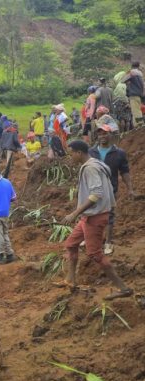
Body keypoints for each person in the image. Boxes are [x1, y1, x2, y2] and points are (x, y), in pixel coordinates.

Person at [58, 140, 133, 300]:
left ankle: (123, 288)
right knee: (71, 245)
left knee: (95, 254)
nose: (70, 156)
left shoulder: (90, 168)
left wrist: (74, 213)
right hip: (90, 216)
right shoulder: (95, 164)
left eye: (71, 152)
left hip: (95, 216)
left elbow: (96, 194)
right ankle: (70, 280)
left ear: (79, 153)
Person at [88, 124, 137, 255]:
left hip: (111, 190)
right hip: (93, 189)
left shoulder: (119, 153)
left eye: (105, 133)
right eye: (100, 134)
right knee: (91, 214)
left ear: (111, 135)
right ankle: (92, 239)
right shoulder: (91, 152)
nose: (102, 136)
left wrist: (130, 189)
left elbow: (124, 172)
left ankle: (108, 242)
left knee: (109, 216)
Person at [120, 61, 144, 127]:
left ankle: (139, 125)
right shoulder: (140, 74)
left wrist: (127, 80)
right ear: (138, 66)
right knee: (137, 110)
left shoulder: (131, 72)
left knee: (135, 111)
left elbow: (122, 80)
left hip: (133, 95)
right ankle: (137, 125)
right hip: (139, 95)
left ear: (132, 66)